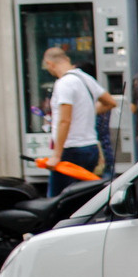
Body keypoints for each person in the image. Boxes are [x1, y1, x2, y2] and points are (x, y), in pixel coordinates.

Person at [39, 45, 112, 192]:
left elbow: (64, 120)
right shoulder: (85, 78)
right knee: (82, 199)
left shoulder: (64, 83)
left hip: (71, 150)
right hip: (91, 148)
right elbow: (110, 102)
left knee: (58, 200)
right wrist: (87, 112)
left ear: (49, 64)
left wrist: (56, 155)